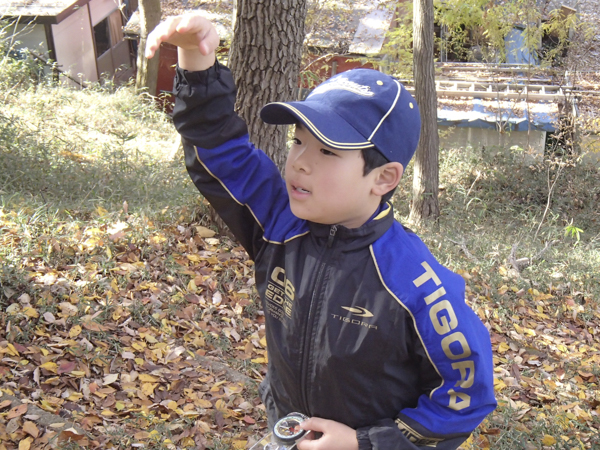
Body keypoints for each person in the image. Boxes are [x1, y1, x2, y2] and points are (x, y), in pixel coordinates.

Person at [146, 13, 497, 450]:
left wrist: (365, 442)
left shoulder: (418, 285)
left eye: (328, 151)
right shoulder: (278, 222)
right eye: (297, 141)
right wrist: (196, 61)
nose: (299, 162)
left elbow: (466, 397)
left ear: (384, 178)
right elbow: (221, 153)